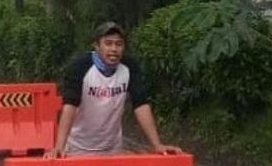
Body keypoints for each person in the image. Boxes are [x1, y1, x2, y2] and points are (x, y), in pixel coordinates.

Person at [46, 21, 180, 158]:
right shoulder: (80, 67)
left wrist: (157, 145)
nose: (114, 49)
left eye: (119, 44)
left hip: (113, 149)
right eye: (108, 43)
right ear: (97, 46)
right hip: (78, 149)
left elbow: (141, 104)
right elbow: (70, 106)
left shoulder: (129, 67)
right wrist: (59, 147)